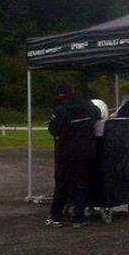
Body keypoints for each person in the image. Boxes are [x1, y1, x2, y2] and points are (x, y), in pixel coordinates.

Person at [45, 83, 100, 229]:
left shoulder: (61, 108)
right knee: (81, 185)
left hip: (65, 153)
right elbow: (98, 114)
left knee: (62, 185)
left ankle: (56, 217)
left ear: (60, 94)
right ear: (73, 91)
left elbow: (53, 129)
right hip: (85, 152)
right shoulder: (87, 104)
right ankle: (78, 219)